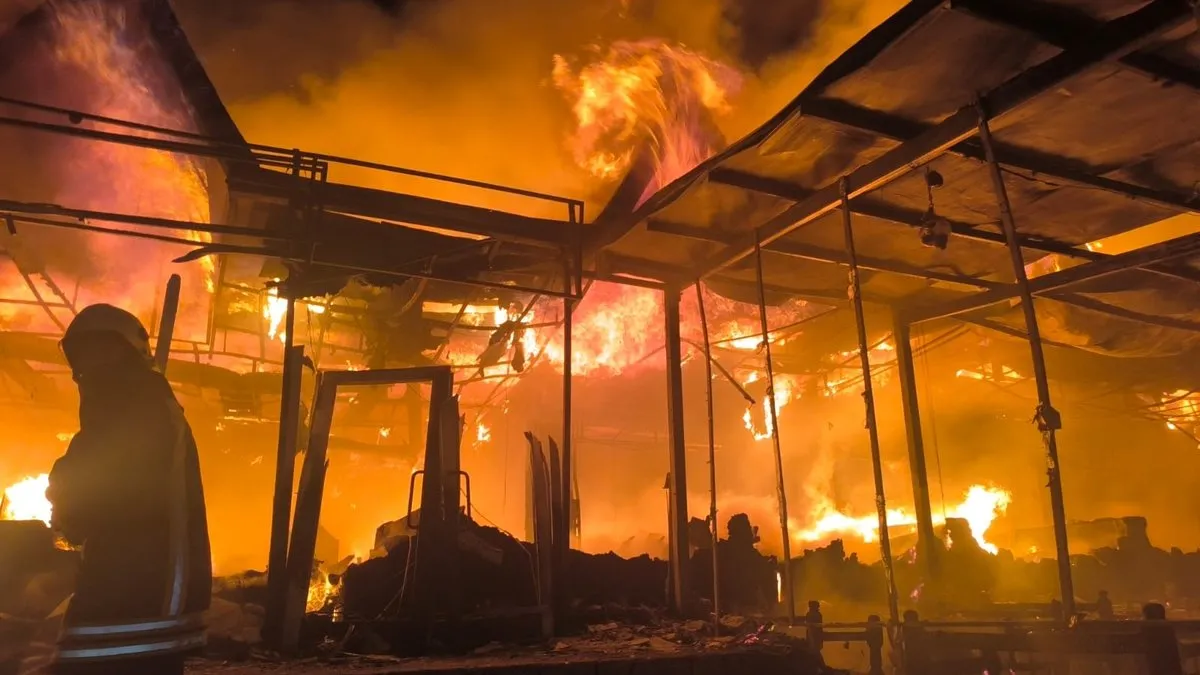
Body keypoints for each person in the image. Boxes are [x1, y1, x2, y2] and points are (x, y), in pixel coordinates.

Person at [46, 304, 211, 675]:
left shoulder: (136, 404)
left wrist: (65, 491)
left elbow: (105, 479)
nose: (88, 364)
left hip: (137, 587)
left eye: (100, 349)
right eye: (82, 353)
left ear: (124, 351)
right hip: (136, 578)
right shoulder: (138, 402)